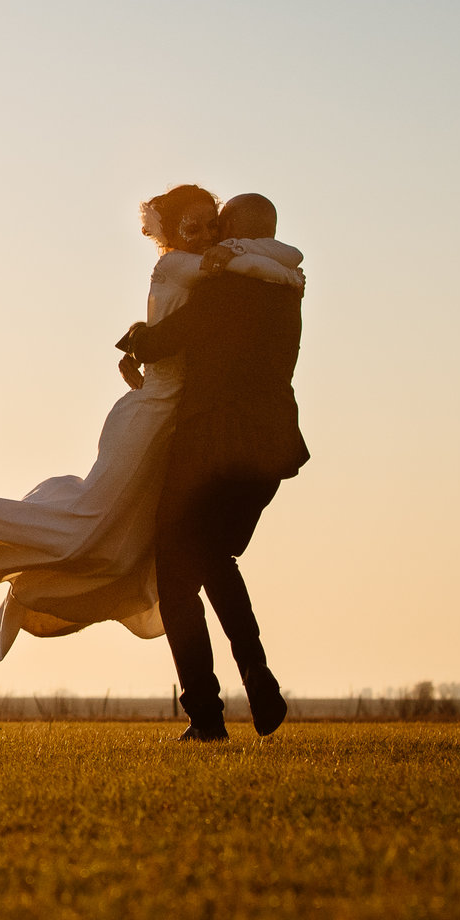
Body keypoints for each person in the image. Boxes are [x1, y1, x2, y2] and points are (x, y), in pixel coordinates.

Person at [0, 186, 305, 674]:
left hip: (173, 428)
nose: (211, 237)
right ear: (170, 235)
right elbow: (221, 285)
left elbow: (183, 333)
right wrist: (286, 267)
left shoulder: (217, 275)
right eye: (197, 227)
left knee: (119, 554)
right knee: (85, 529)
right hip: (150, 420)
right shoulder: (186, 267)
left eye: (214, 225)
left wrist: (143, 343)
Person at [117, 192, 308, 742]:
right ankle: (259, 679)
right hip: (269, 452)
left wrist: (134, 341)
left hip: (209, 447)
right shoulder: (286, 290)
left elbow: (170, 337)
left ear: (236, 231)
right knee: (213, 556)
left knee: (176, 575)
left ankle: (206, 714)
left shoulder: (227, 285)